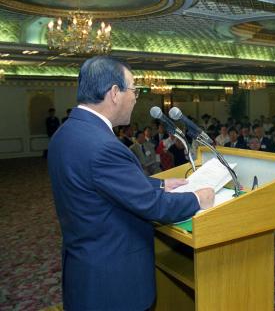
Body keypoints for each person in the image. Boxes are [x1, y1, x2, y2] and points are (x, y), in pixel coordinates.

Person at [47, 56, 215, 311]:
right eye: (134, 90)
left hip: (84, 268)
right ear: (115, 93)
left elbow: (98, 182)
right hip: (113, 283)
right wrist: (197, 199)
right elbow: (153, 207)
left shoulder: (67, 133)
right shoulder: (103, 146)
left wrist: (159, 185)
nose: (136, 97)